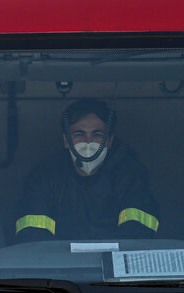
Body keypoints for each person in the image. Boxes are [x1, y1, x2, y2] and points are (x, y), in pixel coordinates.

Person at [14, 98, 159, 242]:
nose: (88, 142)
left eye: (97, 135)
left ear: (109, 140)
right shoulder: (44, 176)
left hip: (113, 263)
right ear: (66, 140)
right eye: (79, 134)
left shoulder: (131, 175)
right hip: (59, 263)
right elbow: (32, 237)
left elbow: (137, 235)